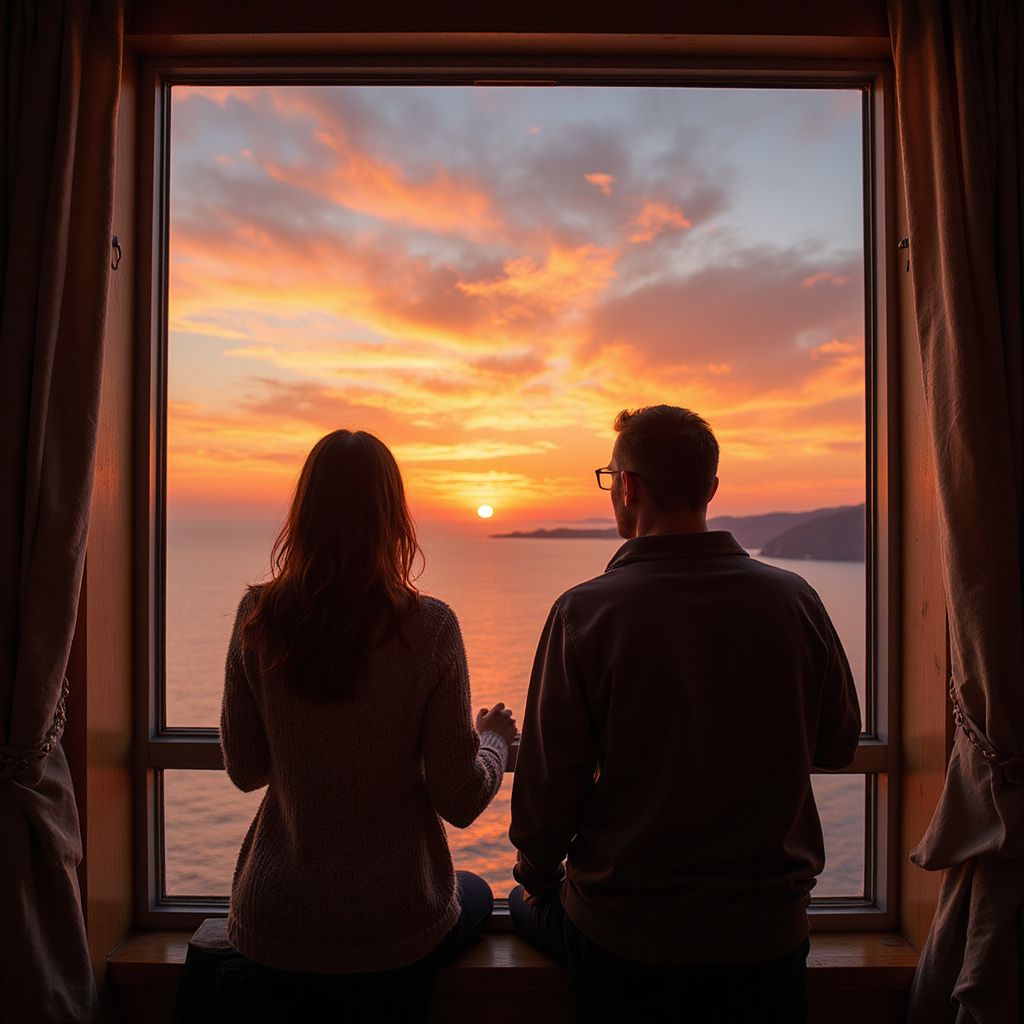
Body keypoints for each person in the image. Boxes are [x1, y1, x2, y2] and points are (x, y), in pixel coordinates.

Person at [508, 405, 861, 1024]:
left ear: (628, 486)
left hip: (627, 940)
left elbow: (546, 793)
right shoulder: (794, 599)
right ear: (711, 490)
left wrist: (536, 873)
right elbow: (837, 744)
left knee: (518, 903)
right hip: (765, 938)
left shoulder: (584, 613)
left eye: (609, 476)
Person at [218, 429, 517, 1022]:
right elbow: (458, 798)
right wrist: (495, 741)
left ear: (302, 514)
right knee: (477, 893)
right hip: (394, 922)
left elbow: (246, 768)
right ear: (394, 518)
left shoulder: (258, 615)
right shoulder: (428, 627)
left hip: (278, 919)